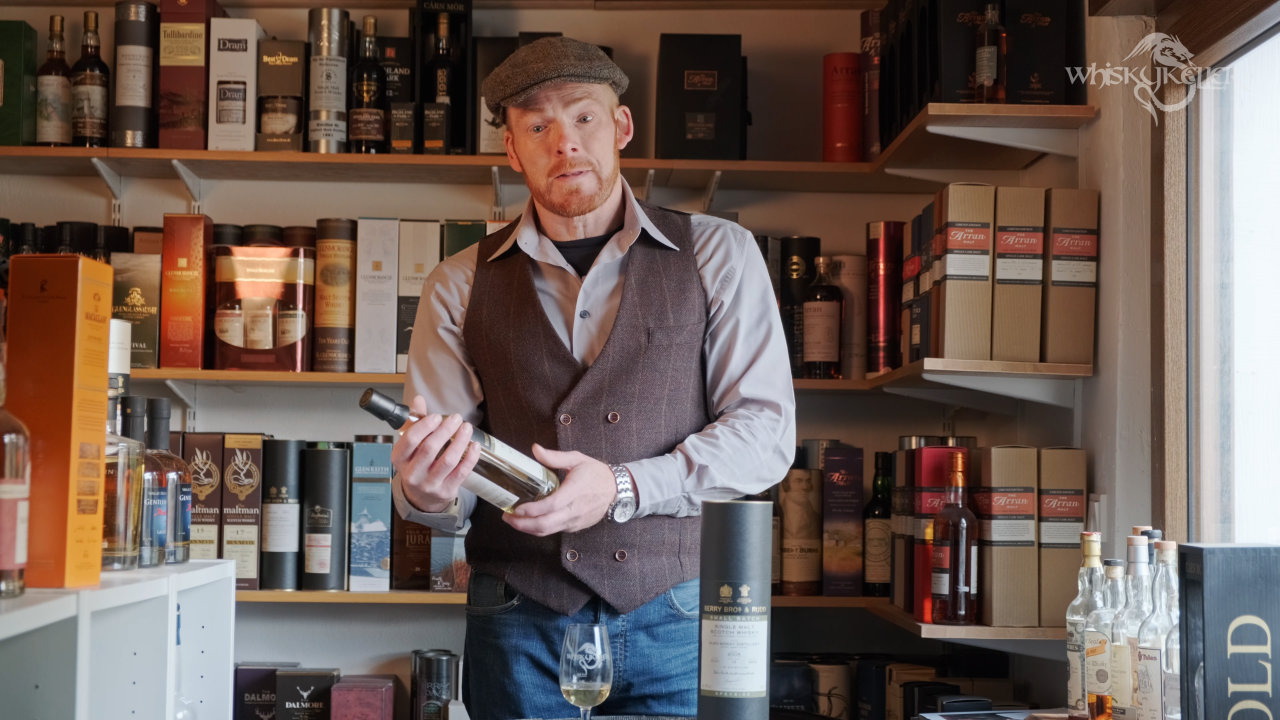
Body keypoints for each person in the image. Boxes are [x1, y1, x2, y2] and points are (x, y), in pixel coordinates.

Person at [391, 36, 795, 720]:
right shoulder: (456, 283)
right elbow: (444, 482)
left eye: (583, 117)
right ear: (512, 149)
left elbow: (766, 435)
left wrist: (623, 486)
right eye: (537, 127)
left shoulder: (719, 253)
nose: (565, 143)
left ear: (622, 126)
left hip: (676, 615)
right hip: (516, 618)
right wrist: (426, 492)